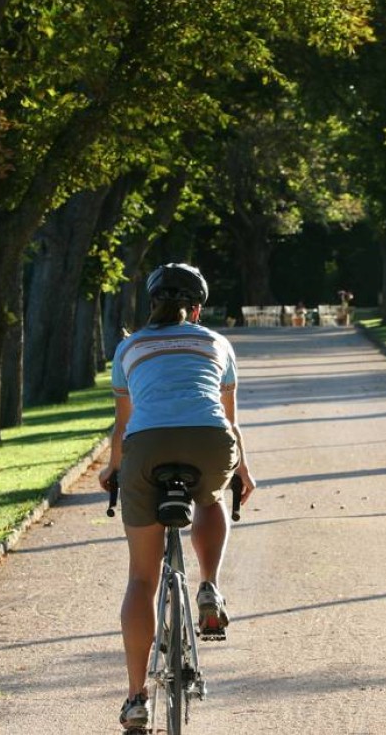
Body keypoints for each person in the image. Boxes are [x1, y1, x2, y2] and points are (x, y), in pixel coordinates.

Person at [97, 262, 257, 731]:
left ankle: (135, 700)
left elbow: (124, 424)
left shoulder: (129, 347)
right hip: (210, 440)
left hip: (147, 448)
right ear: (198, 307)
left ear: (152, 303)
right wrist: (241, 470)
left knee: (141, 580)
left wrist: (112, 469)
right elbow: (229, 418)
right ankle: (208, 586)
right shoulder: (216, 343)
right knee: (210, 499)